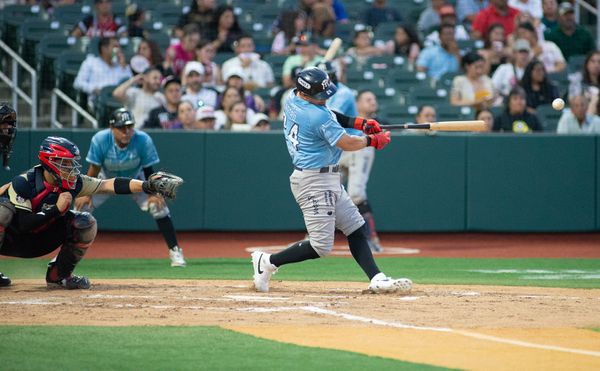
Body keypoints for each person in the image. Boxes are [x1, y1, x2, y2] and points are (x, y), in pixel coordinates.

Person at [250, 66, 412, 294]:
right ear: (305, 93)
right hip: (313, 181)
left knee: (356, 227)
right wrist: (372, 140)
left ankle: (377, 277)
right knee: (321, 246)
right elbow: (346, 143)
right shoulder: (316, 115)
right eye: (319, 96)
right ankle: (267, 261)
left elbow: (330, 114)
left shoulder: (293, 99)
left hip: (327, 177)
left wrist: (360, 123)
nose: (324, 100)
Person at [0, 132, 178, 288]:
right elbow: (24, 224)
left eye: (72, 163)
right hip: (12, 239)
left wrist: (147, 185)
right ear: (50, 161)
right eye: (65, 163)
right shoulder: (24, 182)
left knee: (85, 223)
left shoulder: (74, 182)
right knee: (3, 211)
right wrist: (56, 209)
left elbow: (108, 185)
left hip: (40, 242)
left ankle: (59, 275)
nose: (71, 168)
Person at [74, 108, 186, 267]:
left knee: (159, 207)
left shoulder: (143, 139)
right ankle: (67, 255)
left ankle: (175, 251)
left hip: (136, 178)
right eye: (121, 128)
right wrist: (86, 192)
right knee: (81, 208)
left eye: (130, 126)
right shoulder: (100, 139)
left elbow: (148, 170)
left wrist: (153, 194)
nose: (126, 131)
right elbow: (94, 168)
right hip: (106, 178)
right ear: (112, 128)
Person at [73, 37, 132, 110]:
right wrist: (94, 89)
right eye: (115, 47)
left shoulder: (121, 65)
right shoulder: (90, 62)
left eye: (118, 47)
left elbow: (131, 84)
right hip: (99, 101)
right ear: (104, 48)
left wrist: (123, 67)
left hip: (119, 101)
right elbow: (78, 82)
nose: (118, 50)